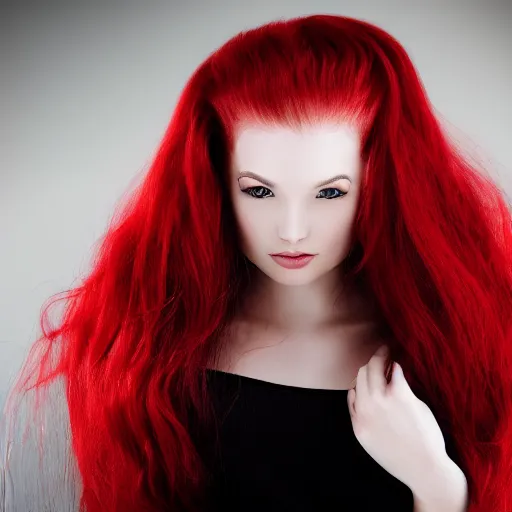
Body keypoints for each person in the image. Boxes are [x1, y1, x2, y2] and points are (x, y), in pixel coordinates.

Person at [1, 13, 511, 512]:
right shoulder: (155, 345)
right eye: (259, 191)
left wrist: (437, 483)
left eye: (330, 192)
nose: (292, 230)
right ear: (215, 182)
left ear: (383, 184)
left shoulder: (457, 344)